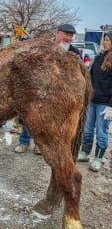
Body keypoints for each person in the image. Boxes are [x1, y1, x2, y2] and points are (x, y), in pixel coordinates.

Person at [14, 23, 81, 155]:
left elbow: (78, 75)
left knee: (48, 122)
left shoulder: (75, 53)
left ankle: (39, 145)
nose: (69, 38)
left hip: (60, 94)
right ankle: (24, 142)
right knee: (29, 117)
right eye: (66, 34)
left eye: (71, 35)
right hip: (39, 91)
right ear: (57, 33)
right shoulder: (45, 48)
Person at [76, 31, 112, 172]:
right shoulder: (98, 58)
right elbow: (90, 79)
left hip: (105, 104)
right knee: (88, 129)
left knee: (102, 133)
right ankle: (85, 153)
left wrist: (111, 106)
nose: (104, 42)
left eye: (108, 40)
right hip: (93, 100)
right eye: (104, 40)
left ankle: (97, 158)